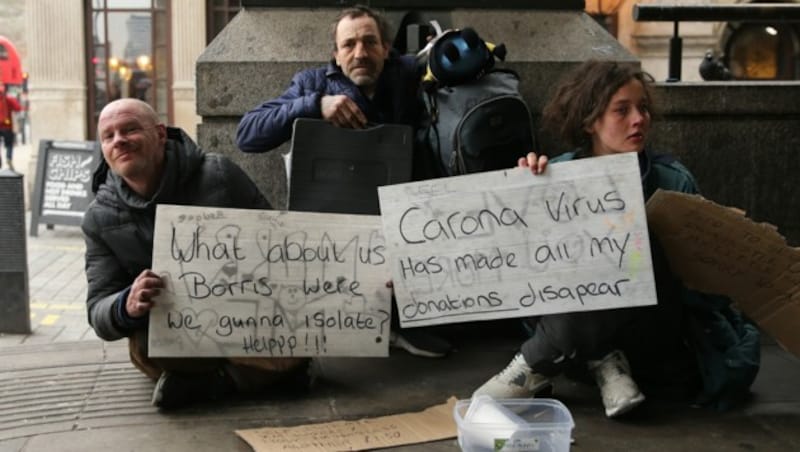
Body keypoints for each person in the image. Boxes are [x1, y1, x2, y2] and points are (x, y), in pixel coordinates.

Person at [472, 61, 760, 418]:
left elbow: (703, 288)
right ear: (590, 120)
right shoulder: (556, 173)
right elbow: (523, 269)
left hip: (651, 334)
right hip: (572, 340)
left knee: (635, 238)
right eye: (622, 110)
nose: (639, 119)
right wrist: (525, 193)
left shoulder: (672, 180)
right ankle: (603, 359)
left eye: (643, 108)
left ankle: (532, 364)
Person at [235, 5, 448, 358]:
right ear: (335, 54)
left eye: (369, 42)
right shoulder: (313, 83)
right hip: (334, 223)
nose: (360, 53)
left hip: (403, 218)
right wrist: (314, 104)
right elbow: (247, 135)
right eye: (348, 45)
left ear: (385, 47)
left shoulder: (409, 74)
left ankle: (399, 323)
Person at [82, 98, 310, 410]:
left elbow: (284, 248)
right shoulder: (99, 218)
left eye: (130, 129)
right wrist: (127, 304)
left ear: (160, 134)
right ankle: (252, 377)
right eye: (108, 136)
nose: (119, 140)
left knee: (302, 334)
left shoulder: (219, 175)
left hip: (247, 313)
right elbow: (98, 309)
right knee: (145, 347)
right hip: (172, 333)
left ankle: (214, 382)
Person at [0, 85, 23, 170]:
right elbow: (18, 108)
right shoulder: (8, 99)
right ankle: (9, 158)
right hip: (7, 126)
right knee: (9, 144)